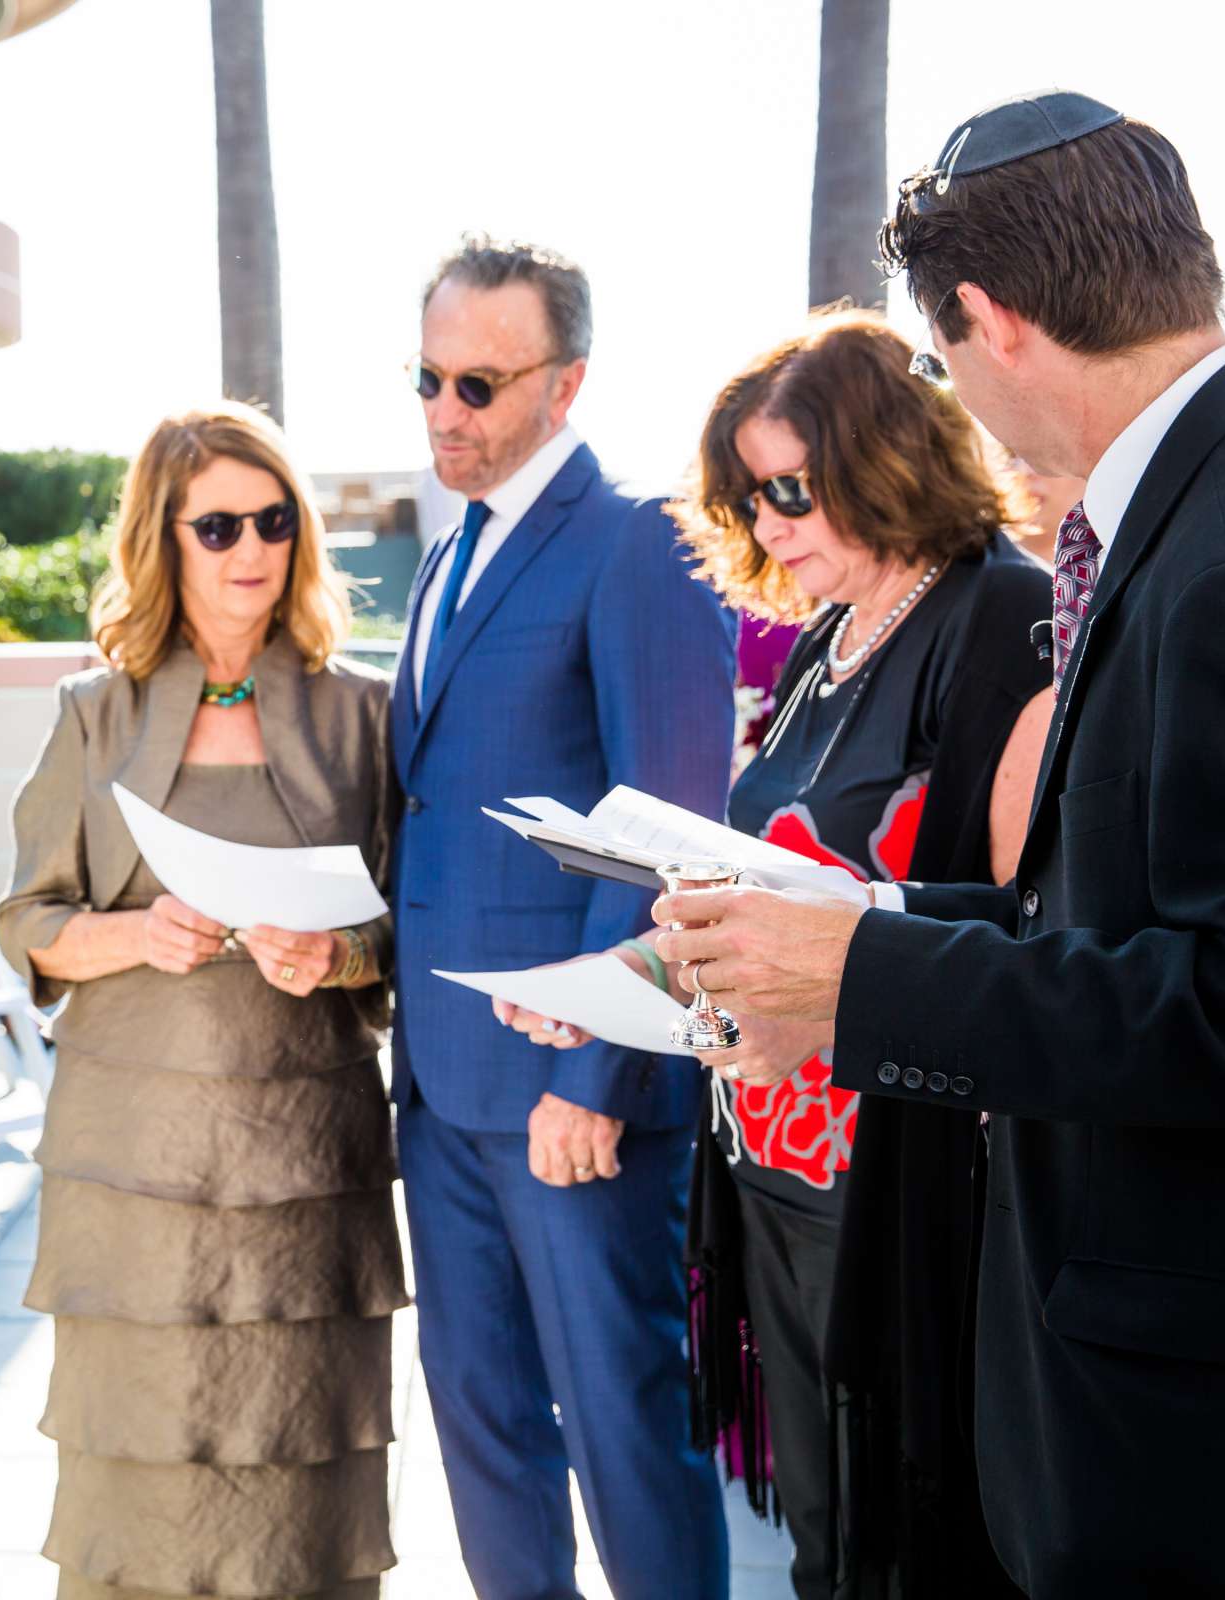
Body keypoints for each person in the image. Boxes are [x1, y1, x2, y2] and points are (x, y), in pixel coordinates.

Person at [654, 91, 1225, 1594]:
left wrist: (866, 976)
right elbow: (1098, 906)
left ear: (987, 319)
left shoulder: (1204, 539)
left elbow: (1213, 1003)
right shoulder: (1171, 510)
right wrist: (865, 924)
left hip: (1171, 1411)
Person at [502, 309, 1052, 1599]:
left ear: (887, 454)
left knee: (918, 1546)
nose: (768, 526)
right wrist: (617, 989)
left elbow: (1032, 922)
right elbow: (777, 893)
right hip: (776, 1172)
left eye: (792, 488)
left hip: (910, 1184)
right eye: (749, 497)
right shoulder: (824, 640)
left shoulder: (1002, 620)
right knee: (825, 1541)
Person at [0, 401, 403, 1600]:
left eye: (274, 520)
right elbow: (27, 920)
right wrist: (131, 932)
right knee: (144, 1466)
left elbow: (403, 925)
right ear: (164, 539)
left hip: (306, 1168)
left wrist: (333, 955)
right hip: (133, 1173)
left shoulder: (362, 713)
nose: (251, 549)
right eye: (218, 524)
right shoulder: (94, 711)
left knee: (303, 1467)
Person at [387, 235, 734, 1599]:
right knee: (480, 1437)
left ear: (567, 382)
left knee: (625, 1434)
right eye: (427, 378)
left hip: (571, 1098)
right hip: (441, 1091)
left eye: (479, 383)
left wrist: (595, 1071)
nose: (443, 413)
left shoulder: (639, 544)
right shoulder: (446, 555)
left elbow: (675, 840)